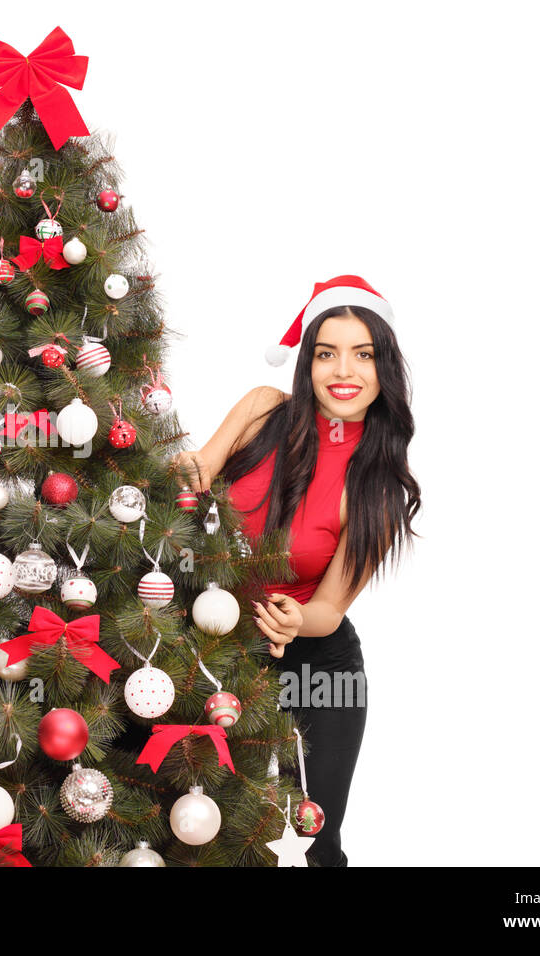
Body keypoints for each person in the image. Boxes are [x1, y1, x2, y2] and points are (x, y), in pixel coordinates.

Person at [172, 274, 421, 866]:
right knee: (199, 829)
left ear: (384, 368)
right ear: (306, 364)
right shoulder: (262, 412)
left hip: (315, 669)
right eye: (326, 353)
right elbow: (199, 469)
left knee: (311, 841)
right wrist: (178, 465)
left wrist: (293, 617)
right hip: (209, 647)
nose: (344, 370)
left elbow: (330, 607)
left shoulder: (377, 489)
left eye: (363, 355)